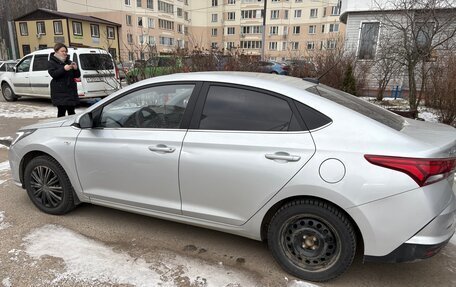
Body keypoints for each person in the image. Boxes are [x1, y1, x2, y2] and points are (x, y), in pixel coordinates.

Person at [48, 43, 80, 117]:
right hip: (60, 92)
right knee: (61, 112)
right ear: (56, 51)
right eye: (62, 51)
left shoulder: (69, 62)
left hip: (70, 91)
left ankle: (71, 127)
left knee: (72, 112)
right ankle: (61, 128)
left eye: (65, 51)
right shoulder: (51, 62)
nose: (65, 53)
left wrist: (76, 69)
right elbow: (53, 74)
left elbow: (77, 75)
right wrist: (64, 69)